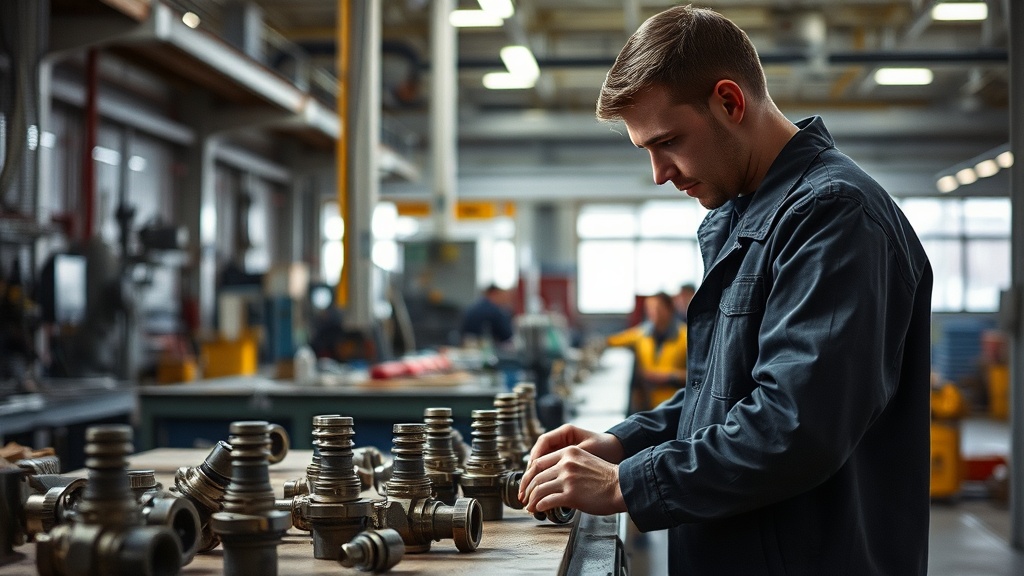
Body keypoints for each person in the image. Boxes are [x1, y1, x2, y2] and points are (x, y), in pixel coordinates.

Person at [519, 5, 932, 575]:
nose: (660, 172)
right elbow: (727, 393)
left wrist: (627, 484)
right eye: (647, 151)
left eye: (668, 142)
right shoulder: (747, 217)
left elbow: (794, 424)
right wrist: (623, 443)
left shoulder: (834, 216)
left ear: (730, 102)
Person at [606, 292, 686, 412]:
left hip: (676, 404)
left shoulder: (686, 336)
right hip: (646, 404)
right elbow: (615, 340)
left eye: (658, 308)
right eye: (649, 309)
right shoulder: (642, 333)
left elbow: (700, 376)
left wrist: (668, 376)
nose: (653, 313)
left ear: (670, 309)